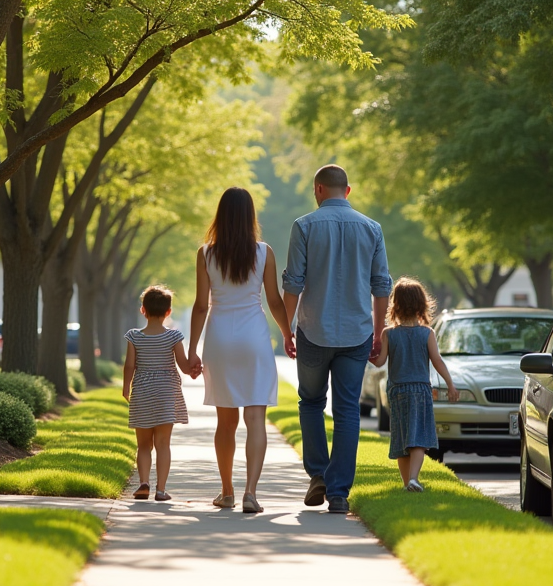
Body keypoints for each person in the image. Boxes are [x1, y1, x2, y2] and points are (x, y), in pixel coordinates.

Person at [283, 164, 391, 513]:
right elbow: (381, 285)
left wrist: (286, 329)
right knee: (347, 412)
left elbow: (294, 284)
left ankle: (318, 474)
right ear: (348, 191)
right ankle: (339, 492)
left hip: (314, 331)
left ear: (318, 189)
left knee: (311, 402)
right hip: (357, 333)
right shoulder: (372, 228)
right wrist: (378, 331)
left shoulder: (304, 226)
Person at [189, 187, 292, 514]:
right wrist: (288, 334)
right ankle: (251, 493)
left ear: (220, 215)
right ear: (250, 216)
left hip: (220, 338)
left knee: (226, 421)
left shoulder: (206, 254)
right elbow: (274, 301)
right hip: (254, 339)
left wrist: (192, 350)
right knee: (255, 418)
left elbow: (200, 306)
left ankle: (227, 491)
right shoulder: (264, 252)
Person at [370, 277, 458, 491]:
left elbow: (380, 362)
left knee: (401, 437)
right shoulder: (427, 333)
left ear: (395, 304)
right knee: (418, 437)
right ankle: (413, 479)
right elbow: (437, 361)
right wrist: (450, 385)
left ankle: (406, 482)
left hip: (397, 391)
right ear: (421, 304)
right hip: (420, 390)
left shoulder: (389, 333)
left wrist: (367, 352)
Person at [122, 285, 191, 502]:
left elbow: (129, 366)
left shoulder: (134, 336)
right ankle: (161, 490)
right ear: (168, 312)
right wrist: (195, 369)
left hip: (142, 391)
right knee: (163, 444)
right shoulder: (174, 336)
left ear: (143, 310)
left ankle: (144, 483)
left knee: (143, 445)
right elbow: (183, 365)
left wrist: (126, 387)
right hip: (166, 393)